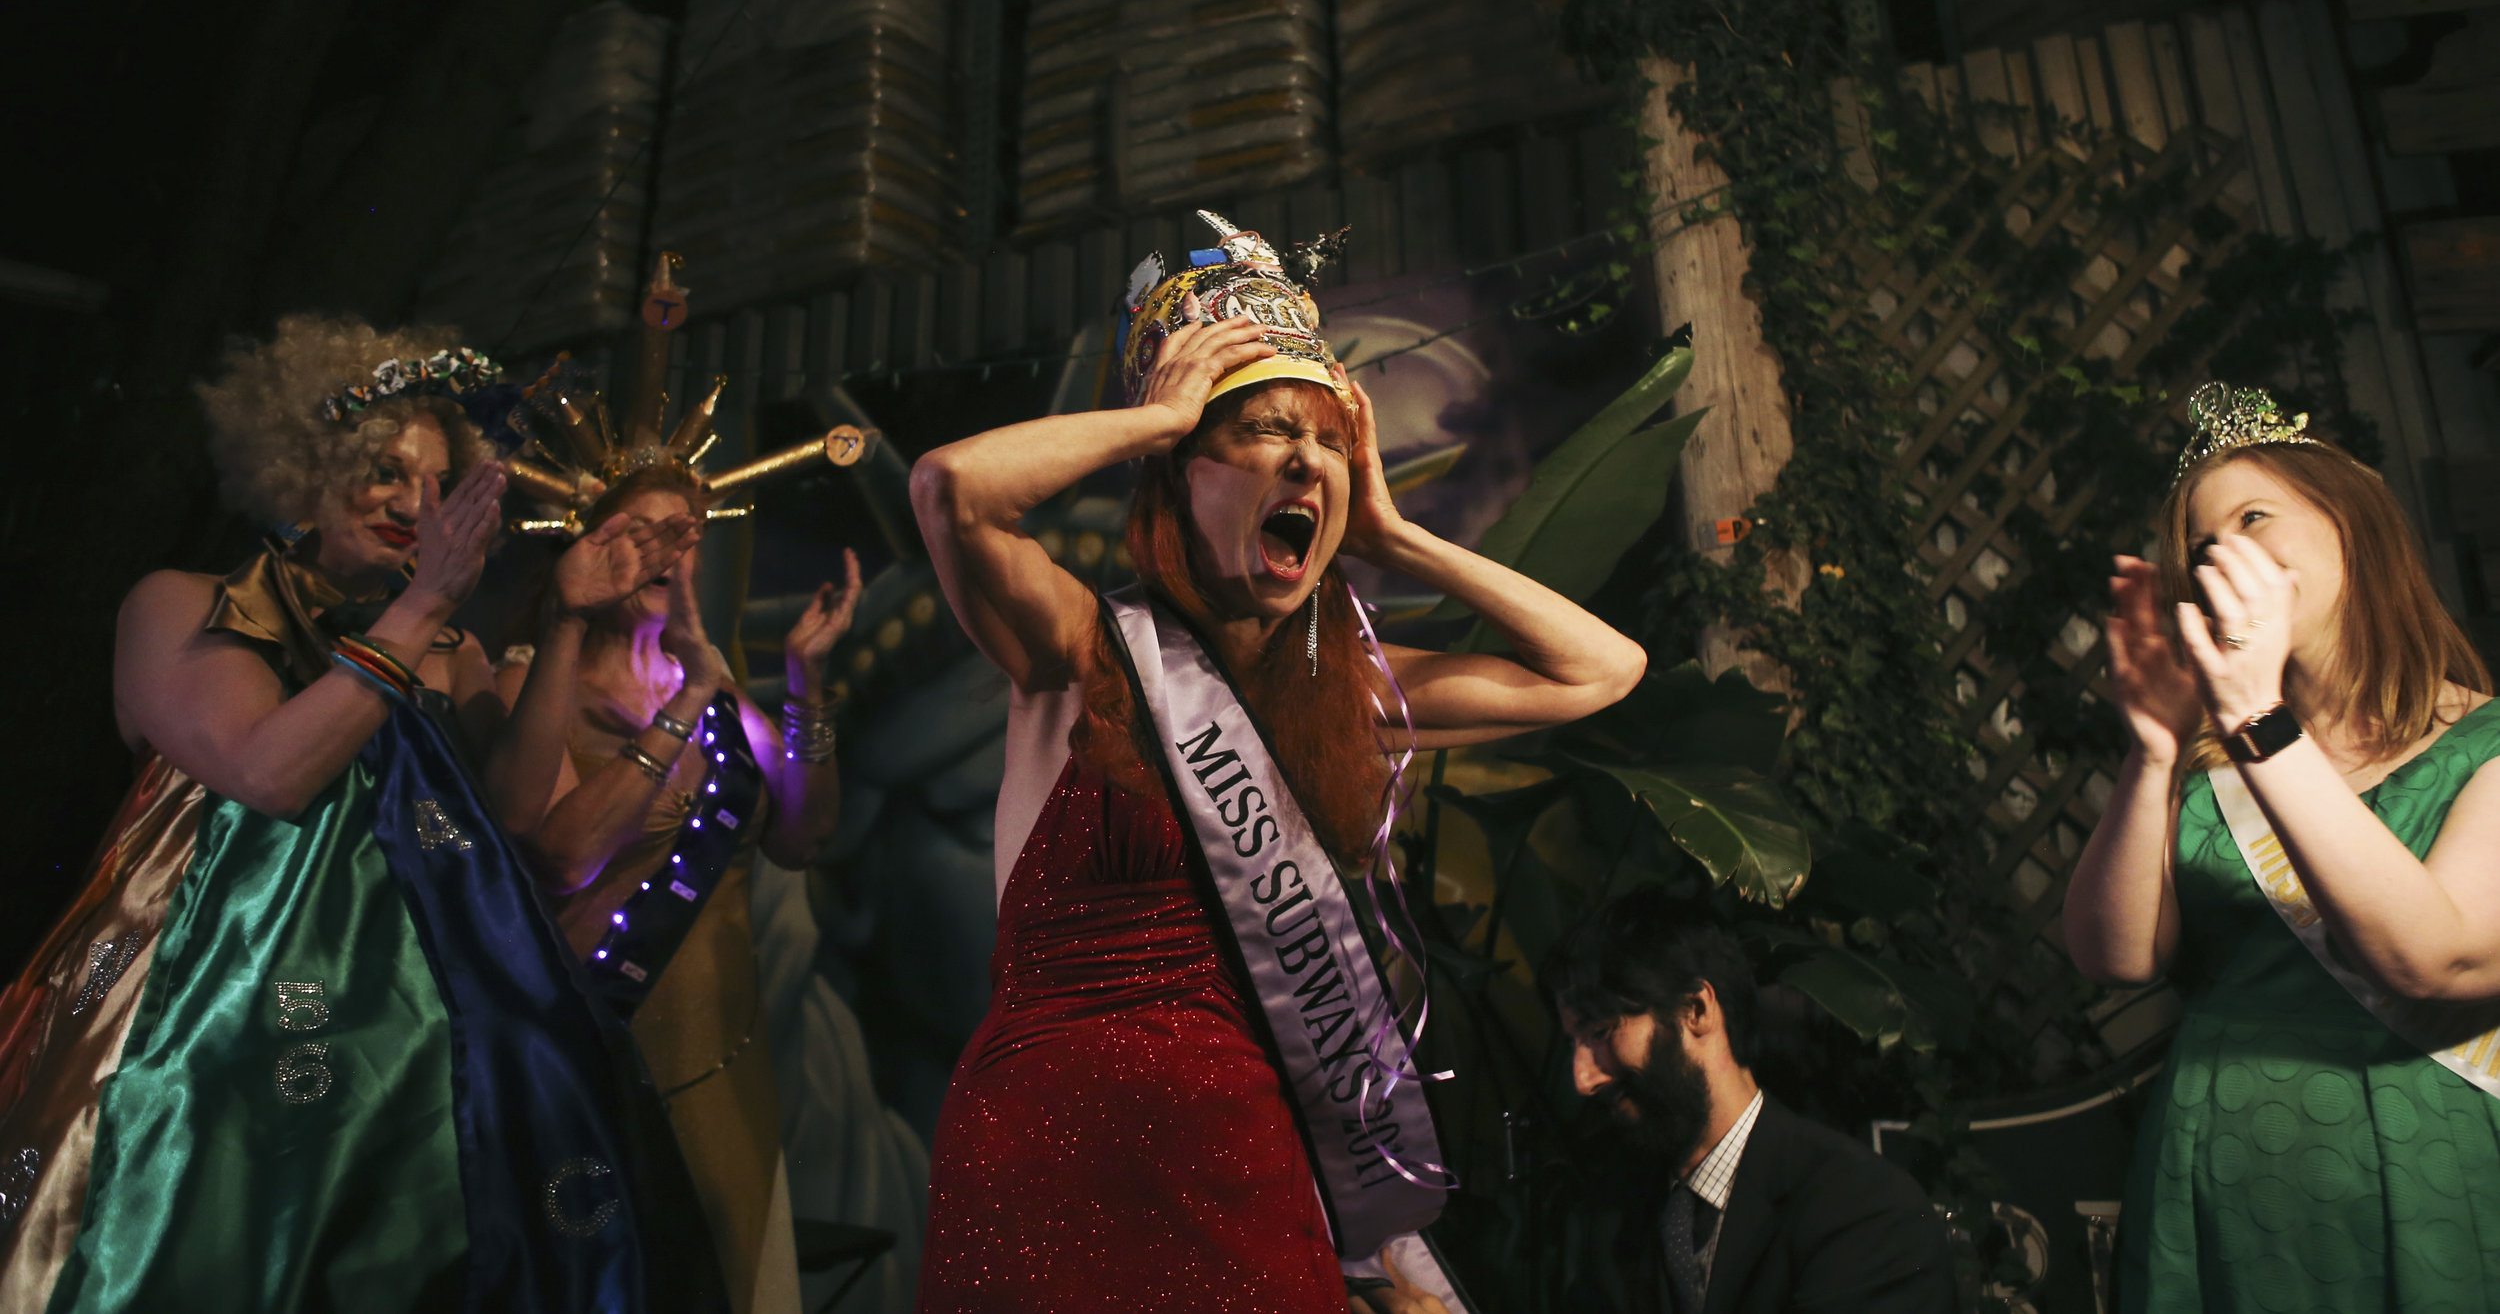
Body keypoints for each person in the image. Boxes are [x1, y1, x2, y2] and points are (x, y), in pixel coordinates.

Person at [908, 212, 1648, 1312]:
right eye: (1257, 430)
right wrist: (1155, 414)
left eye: (1327, 443)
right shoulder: (1078, 645)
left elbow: (1601, 669)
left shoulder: (1344, 691)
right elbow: (950, 487)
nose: (1306, 457)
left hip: (1242, 1157)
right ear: (1179, 475)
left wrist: (1393, 535)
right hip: (1050, 1143)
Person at [0, 317, 726, 1313]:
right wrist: (420, 608)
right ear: (305, 467)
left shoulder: (442, 646)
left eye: (434, 485)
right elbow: (270, 770)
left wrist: (559, 618)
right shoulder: (182, 602)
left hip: (397, 1055)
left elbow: (521, 828)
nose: (409, 504)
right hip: (201, 1036)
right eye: (384, 470)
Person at [2064, 383, 2498, 1313]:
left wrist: (2257, 719)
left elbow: (2434, 959)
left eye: (2255, 515)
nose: (2225, 553)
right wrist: (2154, 749)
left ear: (2354, 524)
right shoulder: (2217, 758)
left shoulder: (2489, 748)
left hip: (2430, 1180)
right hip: (2215, 1182)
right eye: (2204, 546)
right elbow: (2115, 954)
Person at [507, 470, 859, 1314]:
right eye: (647, 527)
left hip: (727, 1070)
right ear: (588, 543)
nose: (675, 545)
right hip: (596, 1053)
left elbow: (802, 838)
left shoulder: (725, 695)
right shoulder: (537, 680)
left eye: (690, 530)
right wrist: (682, 713)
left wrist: (805, 676)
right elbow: (560, 859)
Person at [1536, 887, 1951, 1314]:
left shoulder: (1864, 1212)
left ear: (1696, 1010)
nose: (1583, 1079)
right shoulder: (1620, 1213)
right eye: (1575, 1044)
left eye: (1602, 1033)